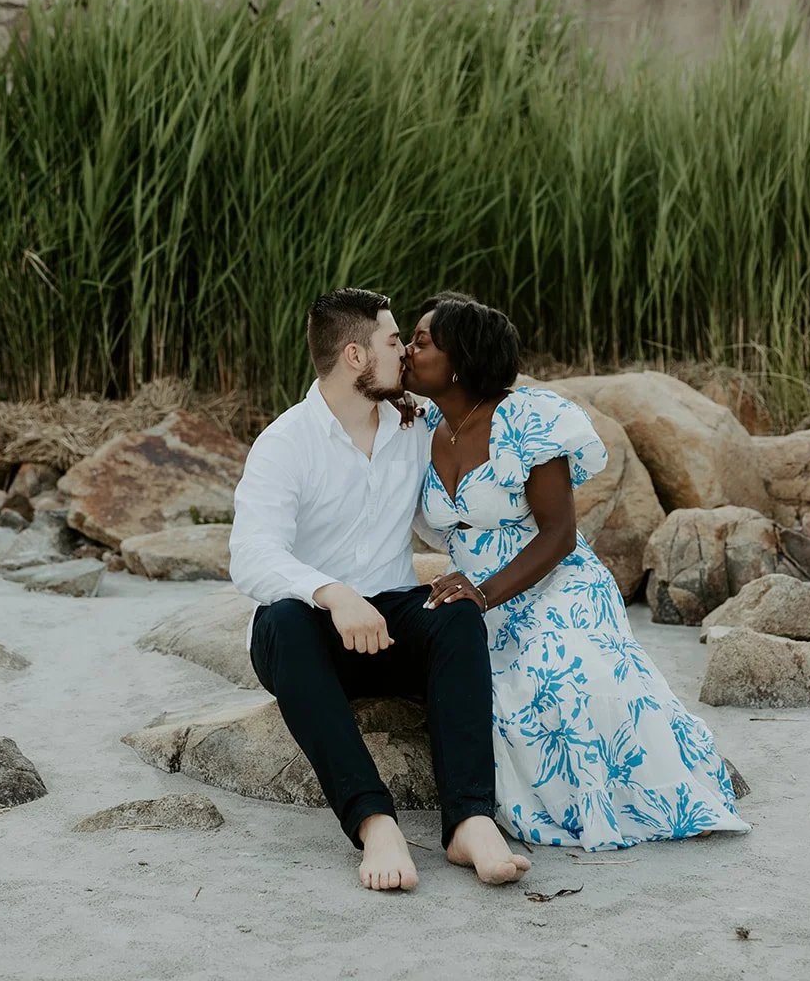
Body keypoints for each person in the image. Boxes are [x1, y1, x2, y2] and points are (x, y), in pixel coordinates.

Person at [404, 293, 752, 852]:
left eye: (421, 342)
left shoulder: (528, 418)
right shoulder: (418, 425)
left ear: (461, 359)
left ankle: (634, 802)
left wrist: (483, 594)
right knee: (486, 696)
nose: (408, 350)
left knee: (562, 676)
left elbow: (559, 534)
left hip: (553, 583)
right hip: (475, 593)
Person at [228, 287, 530, 892]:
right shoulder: (286, 441)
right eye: (395, 343)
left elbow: (442, 516)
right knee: (280, 620)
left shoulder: (414, 425)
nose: (407, 355)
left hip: (392, 621)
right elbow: (252, 554)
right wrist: (334, 594)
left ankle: (469, 817)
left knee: (456, 613)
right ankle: (373, 821)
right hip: (313, 631)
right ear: (355, 358)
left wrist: (516, 546)